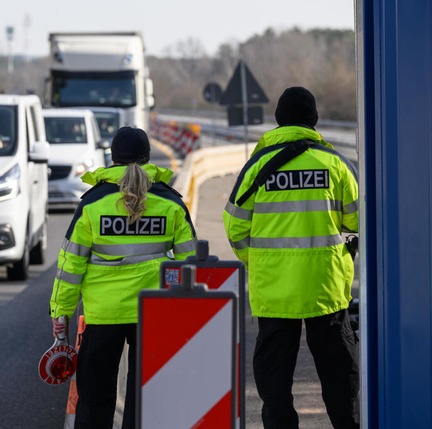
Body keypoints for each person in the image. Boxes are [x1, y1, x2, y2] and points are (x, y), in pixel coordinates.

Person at [223, 86, 360, 429]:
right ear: (314, 121)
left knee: (274, 380)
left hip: (274, 291)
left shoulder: (257, 167)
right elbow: (358, 221)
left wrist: (259, 262)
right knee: (339, 375)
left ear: (277, 120)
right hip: (325, 288)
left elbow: (235, 227)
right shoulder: (334, 164)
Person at [49, 126, 197, 429]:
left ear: (112, 158)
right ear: (147, 157)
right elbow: (191, 263)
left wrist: (61, 312)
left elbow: (70, 267)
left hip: (103, 314)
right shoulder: (170, 203)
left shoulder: (92, 204)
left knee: (93, 400)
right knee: (145, 400)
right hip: (154, 313)